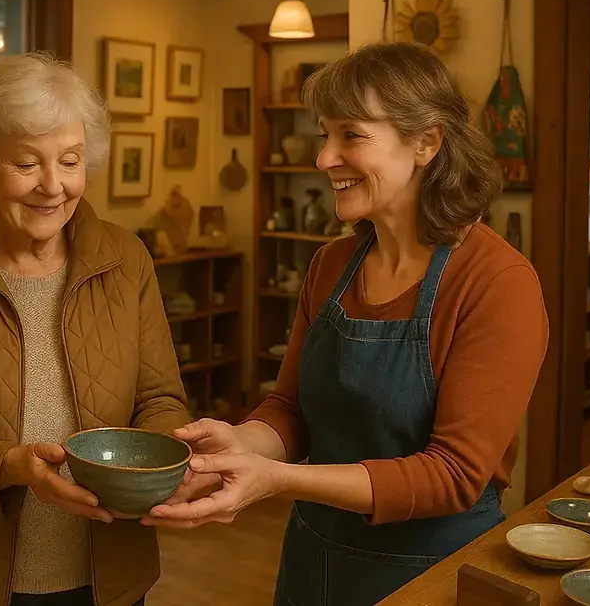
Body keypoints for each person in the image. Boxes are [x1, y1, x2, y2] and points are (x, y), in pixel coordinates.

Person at [144, 42, 550, 606]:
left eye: (351, 136)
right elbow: (290, 410)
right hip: (313, 562)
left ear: (427, 143)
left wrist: (278, 479)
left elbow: (453, 476)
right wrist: (241, 442)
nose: (323, 159)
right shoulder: (331, 264)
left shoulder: (497, 281)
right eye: (323, 136)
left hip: (431, 572)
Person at [0, 52, 191, 606]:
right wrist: (10, 466)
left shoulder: (127, 258)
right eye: (26, 164)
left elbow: (160, 399)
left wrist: (159, 463)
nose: (53, 186)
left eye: (70, 162)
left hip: (109, 577)